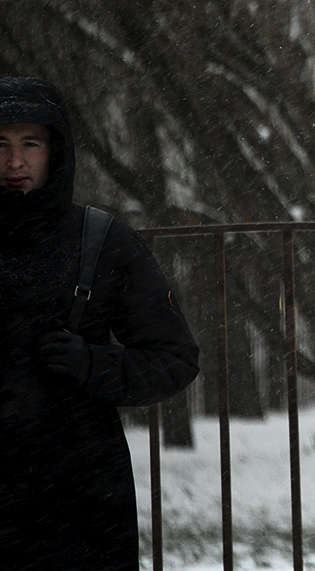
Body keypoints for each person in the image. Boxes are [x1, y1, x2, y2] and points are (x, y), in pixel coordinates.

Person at [0, 77, 200, 570]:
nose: (15, 163)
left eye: (31, 144)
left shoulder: (101, 240)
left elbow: (174, 358)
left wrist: (94, 365)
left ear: (56, 151)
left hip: (79, 490)